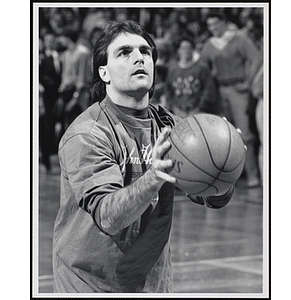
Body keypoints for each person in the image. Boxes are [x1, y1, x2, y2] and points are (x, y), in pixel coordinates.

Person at [52, 20, 235, 293]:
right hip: (91, 285)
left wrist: (225, 165)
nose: (139, 57)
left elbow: (210, 196)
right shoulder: (88, 134)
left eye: (145, 51)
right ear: (104, 72)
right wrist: (154, 177)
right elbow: (108, 218)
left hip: (152, 284)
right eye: (124, 52)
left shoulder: (169, 126)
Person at [201, 13, 262, 188]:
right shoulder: (209, 44)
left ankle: (252, 175)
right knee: (223, 136)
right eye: (210, 25)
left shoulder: (239, 39)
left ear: (224, 23)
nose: (213, 28)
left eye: (216, 23)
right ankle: (229, 178)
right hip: (220, 90)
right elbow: (203, 67)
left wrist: (249, 82)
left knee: (245, 133)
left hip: (238, 89)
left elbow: (256, 58)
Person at [165, 36, 218, 118]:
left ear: (193, 50)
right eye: (183, 48)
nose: (185, 51)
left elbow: (209, 90)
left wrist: (200, 107)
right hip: (177, 112)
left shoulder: (202, 69)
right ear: (178, 50)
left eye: (188, 48)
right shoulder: (173, 71)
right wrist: (173, 108)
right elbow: (168, 91)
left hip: (197, 112)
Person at [58, 28, 92, 135]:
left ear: (68, 38)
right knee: (67, 122)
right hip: (66, 92)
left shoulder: (83, 52)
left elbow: (82, 76)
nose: (60, 40)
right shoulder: (66, 54)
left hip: (79, 92)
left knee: (79, 121)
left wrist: (75, 97)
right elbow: (65, 75)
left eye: (62, 37)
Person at [39, 33, 62, 171]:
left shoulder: (60, 57)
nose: (51, 42)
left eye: (53, 39)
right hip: (46, 98)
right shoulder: (42, 59)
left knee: (55, 128)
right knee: (46, 128)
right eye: (49, 40)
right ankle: (46, 159)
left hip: (58, 97)